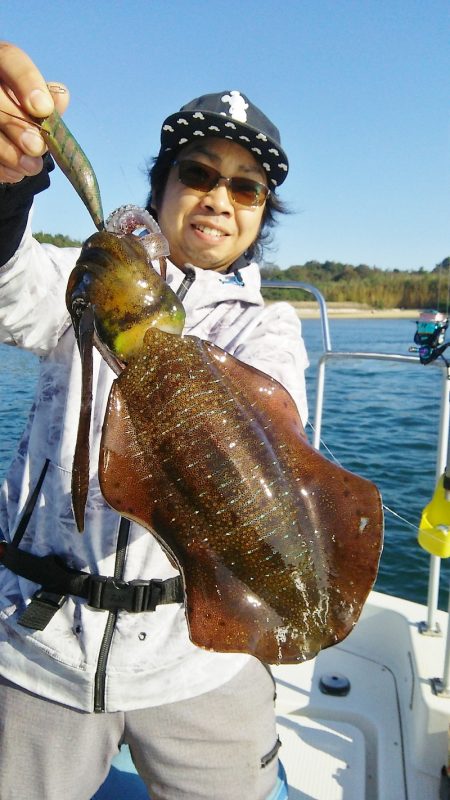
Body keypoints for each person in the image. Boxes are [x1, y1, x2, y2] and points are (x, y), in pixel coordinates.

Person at [0, 43, 309, 800]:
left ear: (261, 216)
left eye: (246, 189)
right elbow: (9, 281)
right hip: (40, 647)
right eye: (197, 173)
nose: (218, 198)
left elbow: (263, 444)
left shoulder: (269, 325)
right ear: (163, 186)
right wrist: (11, 185)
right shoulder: (88, 276)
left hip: (197, 652)